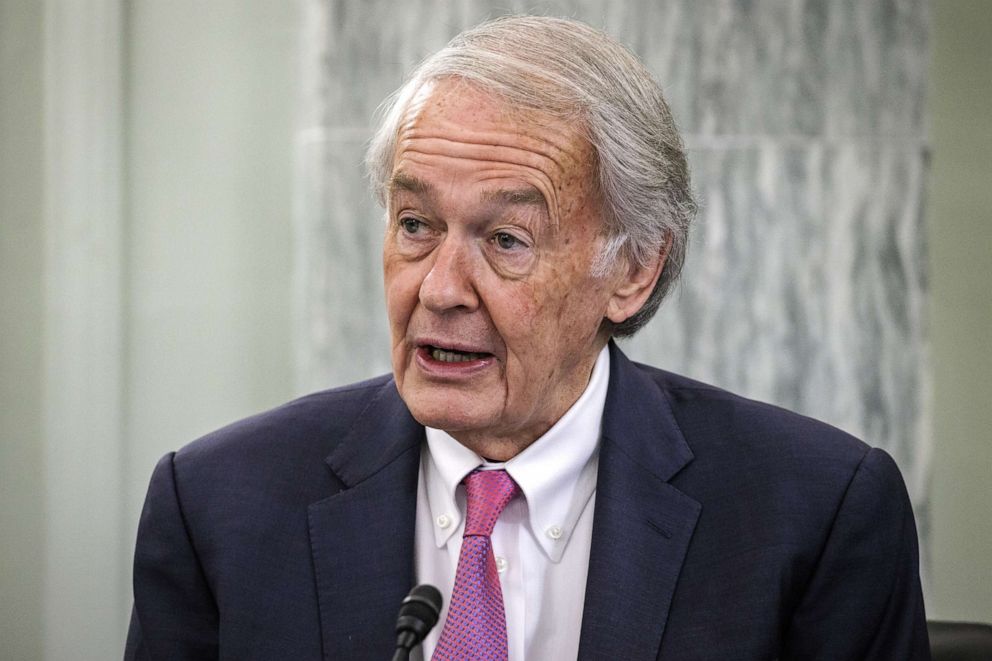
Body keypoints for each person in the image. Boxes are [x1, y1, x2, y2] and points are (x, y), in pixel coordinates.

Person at [125, 15, 930, 661]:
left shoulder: (815, 516)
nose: (439, 288)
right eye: (415, 224)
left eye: (506, 240)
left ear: (634, 270)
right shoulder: (217, 508)